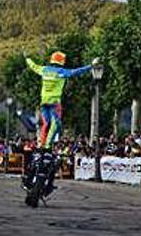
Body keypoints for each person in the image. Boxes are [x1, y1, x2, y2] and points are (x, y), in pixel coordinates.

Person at [23, 51, 96, 193]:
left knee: (45, 124)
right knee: (56, 125)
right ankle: (47, 146)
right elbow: (76, 72)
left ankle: (41, 144)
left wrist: (27, 58)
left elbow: (33, 66)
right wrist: (90, 66)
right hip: (55, 102)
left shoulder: (44, 70)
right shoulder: (61, 72)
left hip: (44, 102)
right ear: (61, 61)